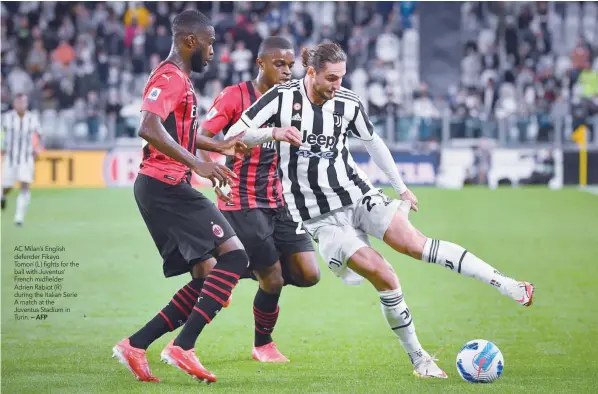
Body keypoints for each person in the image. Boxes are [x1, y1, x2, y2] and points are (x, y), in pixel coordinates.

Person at [224, 42, 535, 379]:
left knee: (416, 244)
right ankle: (420, 359)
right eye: (331, 78)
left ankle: (503, 283)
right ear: (311, 73)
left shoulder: (347, 102)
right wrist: (273, 131)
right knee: (385, 274)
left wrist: (400, 186)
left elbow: (373, 142)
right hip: (320, 216)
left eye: (342, 77)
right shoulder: (282, 97)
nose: (337, 85)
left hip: (357, 194)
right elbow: (234, 133)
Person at [112, 10, 268, 384]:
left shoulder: (177, 78)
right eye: (210, 42)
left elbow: (177, 131)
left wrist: (220, 144)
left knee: (208, 277)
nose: (214, 50)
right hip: (165, 185)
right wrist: (199, 164)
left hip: (162, 186)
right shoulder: (169, 77)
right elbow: (148, 127)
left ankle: (136, 344)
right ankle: (182, 346)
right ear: (190, 41)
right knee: (235, 258)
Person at [196, 36, 320, 363]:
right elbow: (204, 138)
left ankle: (230, 269)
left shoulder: (294, 100)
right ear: (260, 63)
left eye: (290, 65)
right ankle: (262, 344)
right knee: (274, 278)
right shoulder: (235, 96)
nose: (285, 71)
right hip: (242, 200)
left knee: (308, 273)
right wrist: (211, 172)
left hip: (280, 201)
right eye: (278, 64)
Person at [1, 93, 42, 226]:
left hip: (26, 158)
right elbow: (1, 134)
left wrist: (37, 150)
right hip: (11, 158)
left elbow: (40, 136)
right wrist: (2, 146)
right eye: (19, 102)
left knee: (25, 185)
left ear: (27, 103)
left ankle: (19, 218)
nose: (21, 105)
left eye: (23, 102)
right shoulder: (7, 118)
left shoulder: (32, 119)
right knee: (7, 186)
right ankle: (3, 196)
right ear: (14, 104)